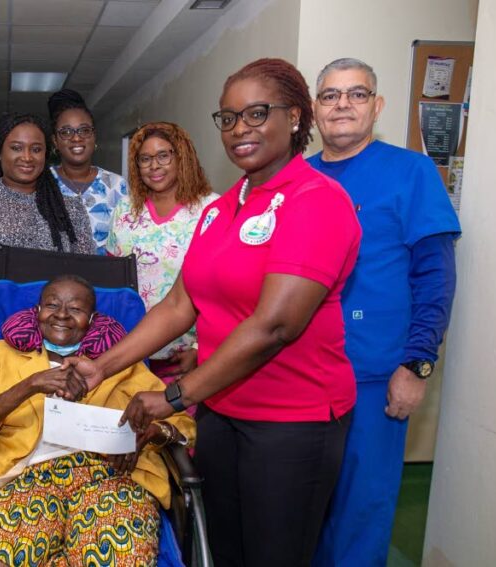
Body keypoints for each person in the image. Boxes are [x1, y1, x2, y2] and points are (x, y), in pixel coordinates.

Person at [71, 58, 361, 566]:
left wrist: (175, 395)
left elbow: (274, 326)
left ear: (294, 117)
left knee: (273, 555)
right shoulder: (220, 209)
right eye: (228, 119)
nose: (239, 130)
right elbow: (180, 304)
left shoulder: (316, 200)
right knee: (222, 550)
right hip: (223, 412)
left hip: (292, 421)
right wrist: (101, 365)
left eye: (255, 114)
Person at [308, 58, 461, 567]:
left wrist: (417, 363)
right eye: (330, 95)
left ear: (378, 106)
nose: (342, 105)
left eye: (356, 94)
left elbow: (435, 277)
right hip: (298, 375)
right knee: (303, 512)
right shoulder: (294, 179)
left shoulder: (411, 172)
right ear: (315, 108)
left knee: (361, 515)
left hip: (373, 377)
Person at [0, 275, 195, 566]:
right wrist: (31, 384)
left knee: (117, 556)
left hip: (111, 477)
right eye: (52, 305)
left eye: (75, 309)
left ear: (91, 319)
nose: (62, 314)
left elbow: (182, 424)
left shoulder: (120, 363)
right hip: (21, 475)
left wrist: (152, 431)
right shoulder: (3, 356)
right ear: (37, 312)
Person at [0, 113, 95, 341]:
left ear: (46, 155)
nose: (27, 157)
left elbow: (86, 283)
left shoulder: (71, 210)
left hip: (63, 346)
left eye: (36, 149)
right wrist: (5, 342)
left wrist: (62, 339)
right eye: (16, 148)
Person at [106, 122, 219, 393]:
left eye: (163, 156)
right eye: (145, 159)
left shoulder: (212, 210)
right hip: (128, 355)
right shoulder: (125, 210)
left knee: (177, 433)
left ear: (182, 157)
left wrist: (199, 349)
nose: (154, 166)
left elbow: (222, 289)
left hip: (183, 361)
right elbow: (111, 283)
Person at [47, 89, 128, 253]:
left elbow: (125, 241)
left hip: (105, 276)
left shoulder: (116, 185)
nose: (76, 138)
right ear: (55, 141)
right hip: (52, 276)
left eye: (84, 130)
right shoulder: (42, 183)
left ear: (94, 136)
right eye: (66, 132)